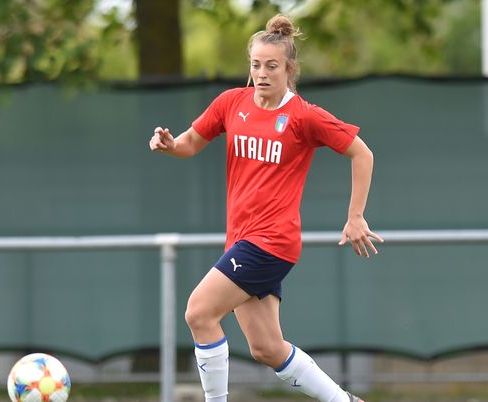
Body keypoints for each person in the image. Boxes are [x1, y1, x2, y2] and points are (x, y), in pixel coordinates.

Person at [148, 14, 382, 402]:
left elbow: (362, 153)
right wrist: (170, 144)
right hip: (241, 240)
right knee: (267, 349)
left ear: (290, 69)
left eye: (272, 66)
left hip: (272, 240)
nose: (262, 73)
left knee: (199, 313)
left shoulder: (303, 115)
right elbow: (190, 143)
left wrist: (355, 216)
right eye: (256, 65)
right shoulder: (231, 102)